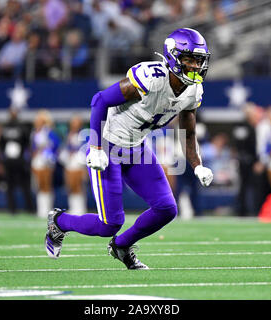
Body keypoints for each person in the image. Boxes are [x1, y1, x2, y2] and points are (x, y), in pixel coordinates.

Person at [45, 28, 213, 269]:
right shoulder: (151, 78)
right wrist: (96, 147)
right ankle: (59, 221)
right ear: (173, 57)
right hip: (109, 146)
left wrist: (197, 165)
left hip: (137, 148)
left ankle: (122, 246)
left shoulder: (192, 91)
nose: (195, 66)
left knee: (167, 209)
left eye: (198, 60)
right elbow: (100, 100)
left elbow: (188, 131)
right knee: (109, 224)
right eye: (189, 59)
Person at [0, 108, 34, 215]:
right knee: (9, 186)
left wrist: (28, 160)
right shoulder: (4, 128)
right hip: (8, 161)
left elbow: (28, 145)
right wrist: (0, 162)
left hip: (20, 160)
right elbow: (0, 146)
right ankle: (12, 209)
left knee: (25, 185)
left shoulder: (23, 127)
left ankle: (30, 209)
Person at [31, 109, 61, 218]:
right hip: (38, 160)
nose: (37, 122)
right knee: (39, 185)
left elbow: (55, 145)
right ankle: (41, 209)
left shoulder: (50, 132)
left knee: (46, 184)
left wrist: (49, 154)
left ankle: (48, 209)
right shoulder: (34, 133)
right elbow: (33, 147)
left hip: (47, 160)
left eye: (39, 120)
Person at [58, 115, 87, 214]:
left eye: (76, 123)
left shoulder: (84, 134)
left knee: (78, 185)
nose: (74, 125)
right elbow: (64, 146)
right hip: (70, 162)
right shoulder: (68, 134)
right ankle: (73, 207)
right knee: (71, 186)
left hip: (79, 161)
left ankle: (80, 208)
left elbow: (86, 148)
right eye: (73, 123)